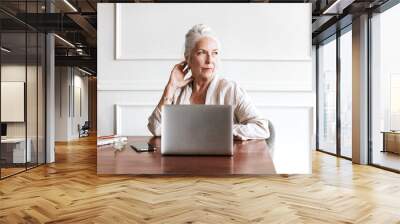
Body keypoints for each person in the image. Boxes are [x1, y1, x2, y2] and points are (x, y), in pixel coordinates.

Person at [147, 24, 269, 140]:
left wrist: (223, 130)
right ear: (188, 58)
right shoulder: (178, 92)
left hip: (222, 161)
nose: (210, 60)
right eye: (201, 53)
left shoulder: (231, 89)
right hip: (183, 160)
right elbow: (156, 128)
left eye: (214, 53)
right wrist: (170, 87)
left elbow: (261, 128)